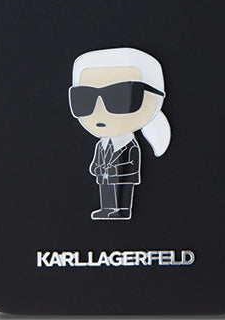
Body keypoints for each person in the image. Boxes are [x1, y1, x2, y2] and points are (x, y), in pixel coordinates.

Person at [69, 47, 171, 220]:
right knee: (106, 193)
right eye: (84, 99)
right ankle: (107, 209)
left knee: (123, 194)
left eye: (120, 97)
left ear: (155, 98)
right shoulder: (101, 145)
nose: (100, 110)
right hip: (105, 177)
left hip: (124, 178)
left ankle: (122, 209)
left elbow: (132, 162)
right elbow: (96, 161)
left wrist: (117, 169)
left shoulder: (130, 145)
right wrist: (96, 168)